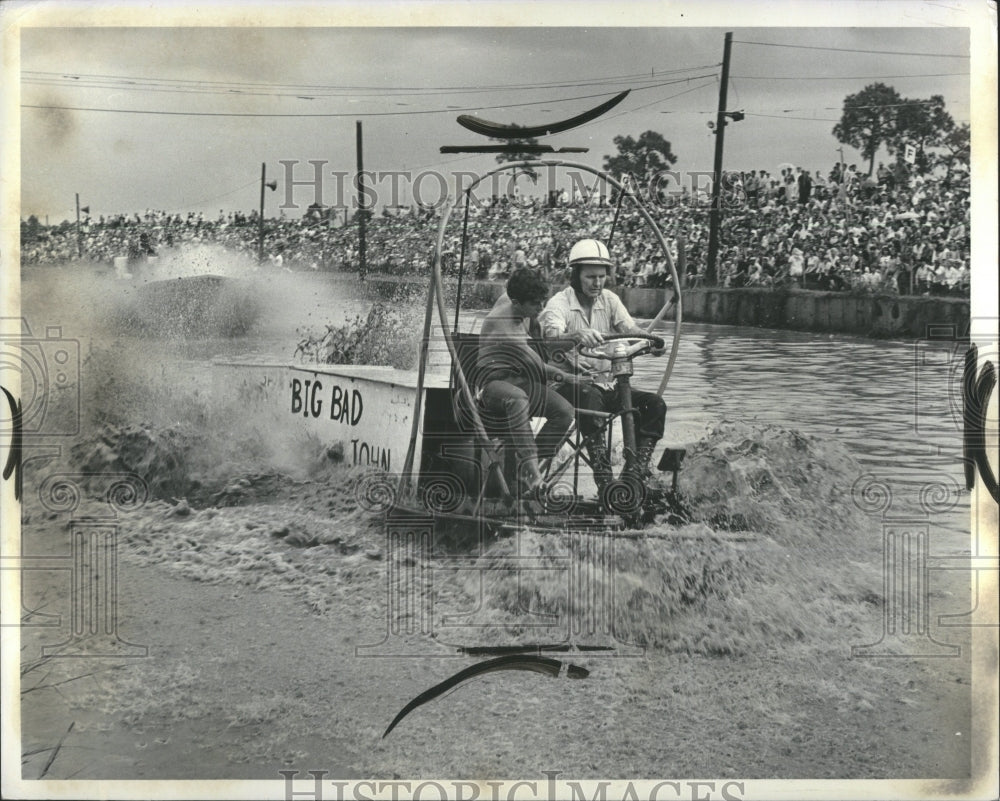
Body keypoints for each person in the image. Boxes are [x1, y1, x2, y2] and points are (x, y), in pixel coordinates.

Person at [538, 239, 667, 495]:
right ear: (574, 276)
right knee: (590, 397)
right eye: (590, 277)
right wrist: (576, 335)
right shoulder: (559, 304)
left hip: (604, 385)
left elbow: (629, 330)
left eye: (601, 277)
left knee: (654, 405)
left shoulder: (609, 299)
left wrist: (651, 342)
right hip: (566, 385)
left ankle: (633, 477)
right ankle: (605, 481)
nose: (597, 283)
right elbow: (550, 340)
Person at [477, 269, 577, 496]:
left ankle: (524, 468)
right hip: (492, 385)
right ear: (516, 302)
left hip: (520, 379)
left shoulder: (510, 297)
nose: (541, 309)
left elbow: (520, 283)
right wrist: (569, 376)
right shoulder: (505, 329)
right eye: (535, 305)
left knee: (565, 412)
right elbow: (541, 368)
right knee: (518, 399)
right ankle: (532, 470)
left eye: (543, 302)